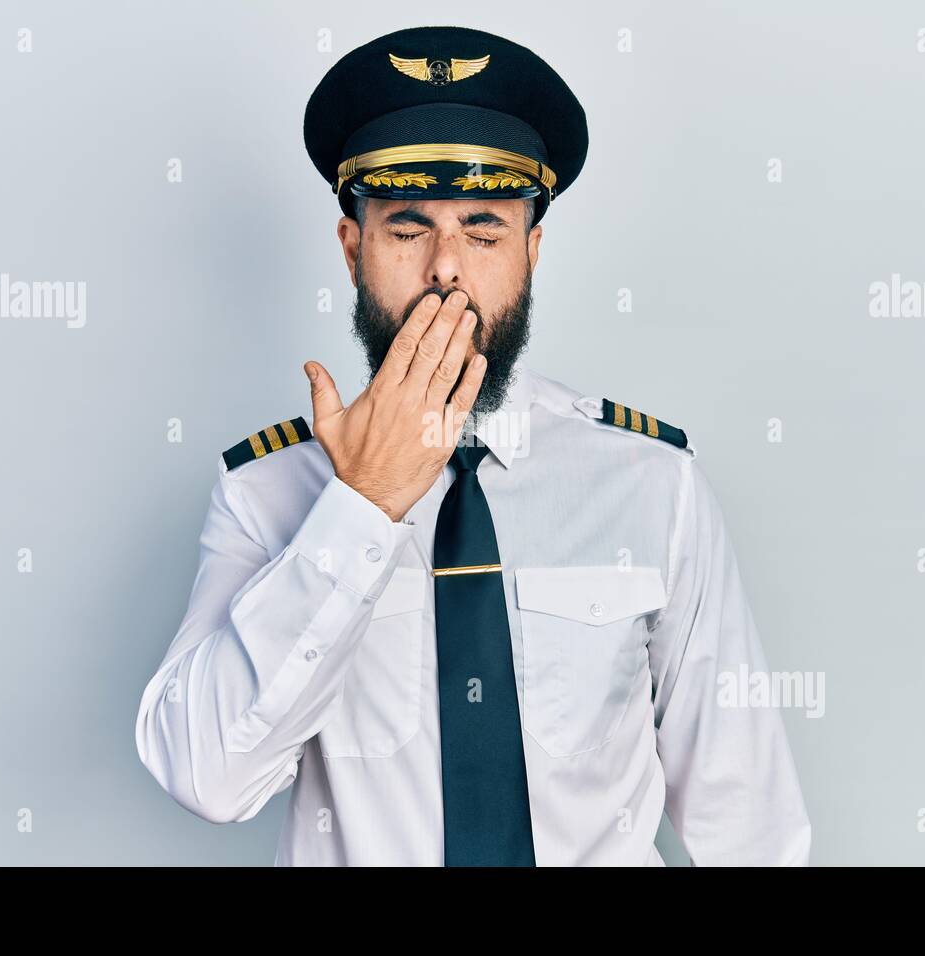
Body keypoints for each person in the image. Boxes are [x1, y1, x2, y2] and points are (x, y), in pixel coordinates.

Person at [135, 25, 811, 866]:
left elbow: (748, 823)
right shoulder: (265, 494)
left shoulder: (653, 485)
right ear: (353, 252)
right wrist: (362, 507)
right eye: (407, 228)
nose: (446, 269)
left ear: (531, 250)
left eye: (485, 231)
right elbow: (206, 776)